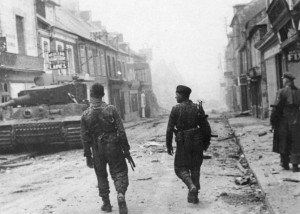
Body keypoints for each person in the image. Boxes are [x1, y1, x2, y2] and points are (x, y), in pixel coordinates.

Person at [81, 83, 131, 214]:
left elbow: (85, 138)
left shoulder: (85, 114)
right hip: (113, 145)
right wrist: (126, 149)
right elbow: (121, 130)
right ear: (103, 94)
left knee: (101, 175)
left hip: (97, 148)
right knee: (119, 171)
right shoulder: (111, 109)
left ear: (91, 95)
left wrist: (88, 156)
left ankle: (106, 204)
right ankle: (120, 194)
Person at [166, 85, 211, 204]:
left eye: (177, 94)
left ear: (182, 95)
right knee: (195, 167)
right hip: (197, 141)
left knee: (180, 168)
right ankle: (194, 197)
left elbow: (170, 129)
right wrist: (205, 144)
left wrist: (169, 145)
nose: (175, 96)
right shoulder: (197, 108)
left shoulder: (175, 109)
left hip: (183, 142)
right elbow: (206, 127)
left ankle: (191, 185)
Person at [271, 73, 300, 172]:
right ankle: (295, 165)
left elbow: (276, 108)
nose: (282, 81)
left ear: (287, 81)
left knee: (283, 142)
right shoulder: (299, 92)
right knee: (296, 142)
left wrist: (273, 121)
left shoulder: (281, 92)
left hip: (283, 121)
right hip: (296, 121)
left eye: (283, 79)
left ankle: (285, 163)